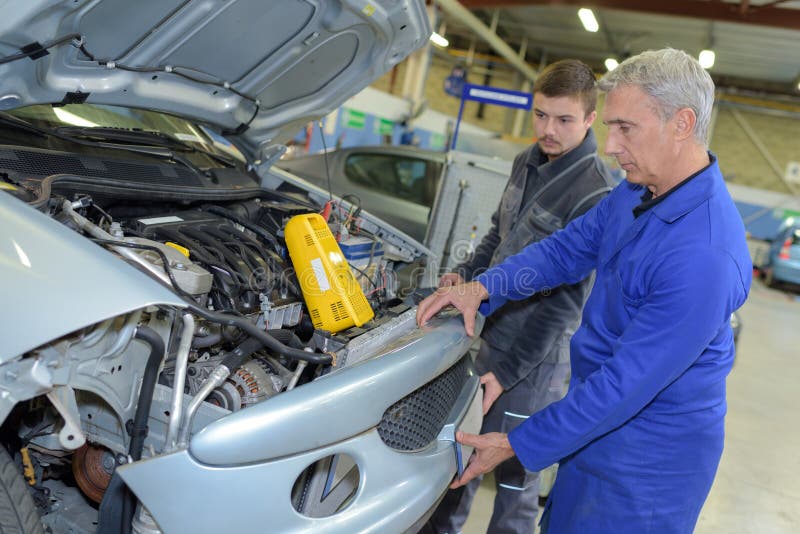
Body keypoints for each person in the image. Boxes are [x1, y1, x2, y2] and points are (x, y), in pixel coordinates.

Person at [417, 48, 752, 533]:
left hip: (646, 464)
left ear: (681, 123)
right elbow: (564, 251)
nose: (610, 146)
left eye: (625, 128)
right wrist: (483, 287)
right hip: (594, 424)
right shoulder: (639, 191)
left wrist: (518, 442)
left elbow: (628, 382)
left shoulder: (704, 255)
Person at [424, 59, 614, 534]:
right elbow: (498, 235)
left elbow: (564, 305)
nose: (548, 130)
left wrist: (505, 374)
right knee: (461, 457)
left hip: (534, 364)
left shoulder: (596, 192)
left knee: (514, 484)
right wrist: (466, 277)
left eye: (564, 119)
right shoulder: (526, 160)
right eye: (541, 115)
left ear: (590, 119)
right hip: (487, 339)